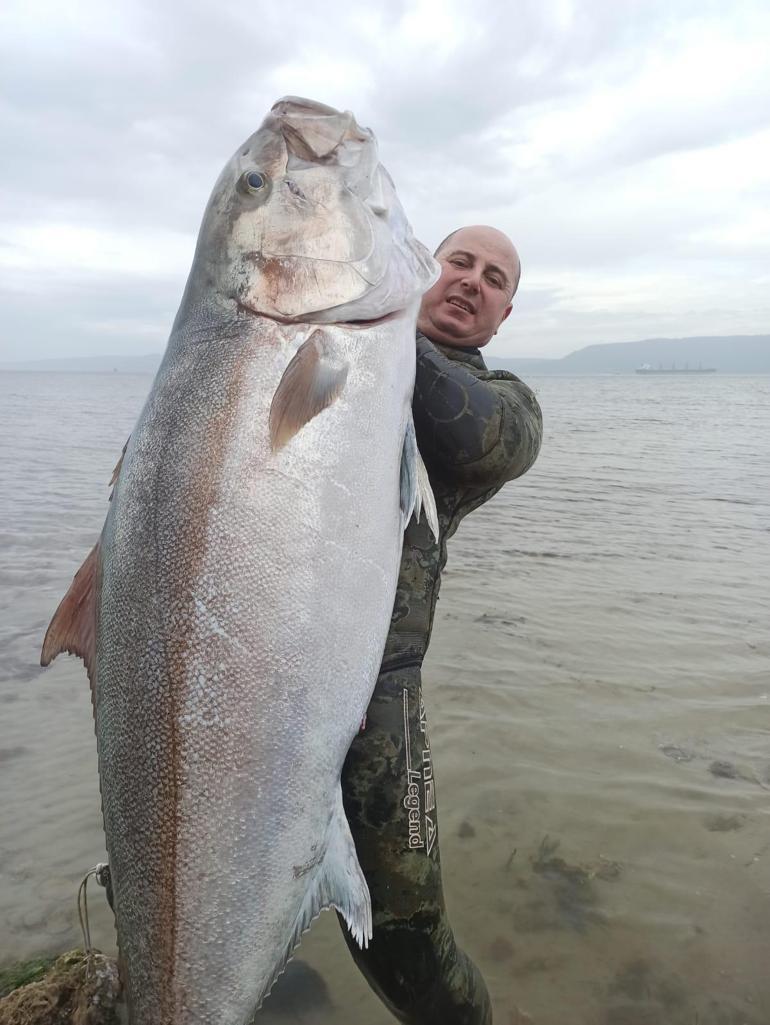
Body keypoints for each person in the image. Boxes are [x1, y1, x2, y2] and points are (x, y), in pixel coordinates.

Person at [338, 225, 543, 1025]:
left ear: (504, 316)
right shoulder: (338, 345)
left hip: (377, 703)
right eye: (458, 261)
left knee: (406, 938)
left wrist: (368, 314)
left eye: (493, 279)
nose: (471, 282)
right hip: (254, 669)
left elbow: (476, 433)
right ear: (424, 268)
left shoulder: (505, 404)